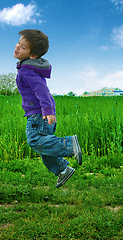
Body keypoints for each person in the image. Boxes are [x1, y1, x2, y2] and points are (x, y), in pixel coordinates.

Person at [14, 29, 82, 188]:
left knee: (35, 141)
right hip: (43, 113)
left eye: (23, 47)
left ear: (32, 55)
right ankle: (63, 169)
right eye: (18, 43)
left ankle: (69, 145)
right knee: (45, 147)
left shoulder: (26, 71)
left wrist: (47, 111)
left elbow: (41, 91)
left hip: (39, 115)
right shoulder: (30, 68)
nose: (17, 47)